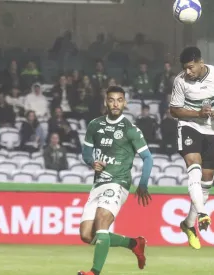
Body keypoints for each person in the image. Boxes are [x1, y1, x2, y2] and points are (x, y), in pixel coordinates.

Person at [78, 86, 154, 275]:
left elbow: (148, 158)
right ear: (106, 102)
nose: (115, 104)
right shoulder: (95, 125)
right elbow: (86, 153)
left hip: (118, 183)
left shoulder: (130, 130)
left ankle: (94, 272)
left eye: (119, 100)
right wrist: (92, 162)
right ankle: (134, 243)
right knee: (87, 235)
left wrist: (142, 183)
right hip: (98, 184)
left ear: (125, 103)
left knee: (103, 220)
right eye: (111, 100)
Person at [170, 46, 214, 249]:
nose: (187, 72)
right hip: (189, 127)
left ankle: (188, 224)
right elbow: (174, 110)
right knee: (193, 167)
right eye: (185, 68)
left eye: (190, 67)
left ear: (200, 62)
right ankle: (203, 213)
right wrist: (197, 115)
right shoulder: (180, 81)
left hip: (211, 131)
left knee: (206, 183)